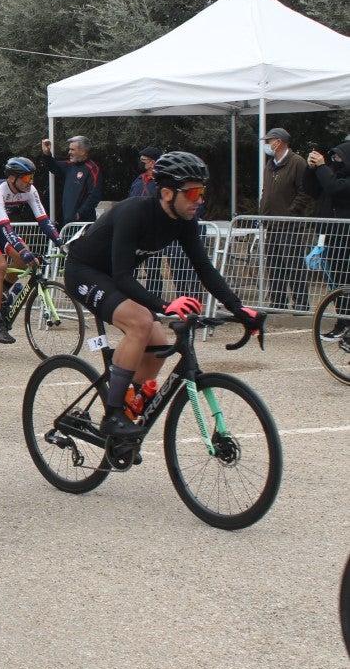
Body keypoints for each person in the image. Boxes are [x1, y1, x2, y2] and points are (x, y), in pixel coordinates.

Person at [65, 151, 264, 438]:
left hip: (114, 277)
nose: (200, 200)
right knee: (141, 323)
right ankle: (113, 415)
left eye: (202, 191)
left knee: (158, 346)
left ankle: (125, 401)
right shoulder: (134, 213)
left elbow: (204, 269)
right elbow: (122, 276)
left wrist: (238, 309)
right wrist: (166, 305)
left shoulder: (185, 221)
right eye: (193, 192)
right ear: (168, 193)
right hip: (85, 271)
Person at [0, 156, 63, 343]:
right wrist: (22, 250)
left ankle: (2, 290)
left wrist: (62, 243)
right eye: (27, 178)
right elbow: (6, 225)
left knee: (22, 260)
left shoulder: (30, 190)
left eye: (32, 178)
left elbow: (43, 220)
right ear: (12, 178)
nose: (31, 182)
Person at [259, 127, 315, 312]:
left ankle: (301, 304)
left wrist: (292, 212)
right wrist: (263, 213)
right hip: (272, 223)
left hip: (290, 224)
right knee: (274, 264)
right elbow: (266, 191)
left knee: (294, 264)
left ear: (279, 141)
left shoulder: (297, 162)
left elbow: (305, 190)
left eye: (269, 140)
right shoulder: (270, 164)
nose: (267, 144)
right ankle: (278, 302)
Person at [305, 142, 350, 340]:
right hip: (330, 237)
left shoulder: (342, 181)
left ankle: (346, 322)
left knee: (344, 283)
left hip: (345, 238)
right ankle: (342, 322)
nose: (335, 161)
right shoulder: (333, 175)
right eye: (333, 158)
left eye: (339, 158)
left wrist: (322, 167)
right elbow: (311, 189)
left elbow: (334, 188)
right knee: (335, 284)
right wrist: (311, 168)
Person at [40, 135, 103, 225]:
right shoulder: (70, 166)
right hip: (68, 223)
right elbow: (53, 166)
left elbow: (94, 196)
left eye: (72, 149)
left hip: (83, 224)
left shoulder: (92, 169)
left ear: (82, 151)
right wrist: (47, 154)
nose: (69, 152)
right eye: (69, 149)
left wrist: (79, 214)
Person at [127, 147, 164, 297]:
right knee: (130, 267)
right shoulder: (138, 180)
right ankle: (130, 297)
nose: (140, 163)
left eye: (143, 161)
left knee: (153, 268)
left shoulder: (160, 182)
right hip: (134, 231)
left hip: (152, 231)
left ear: (152, 163)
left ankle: (154, 299)